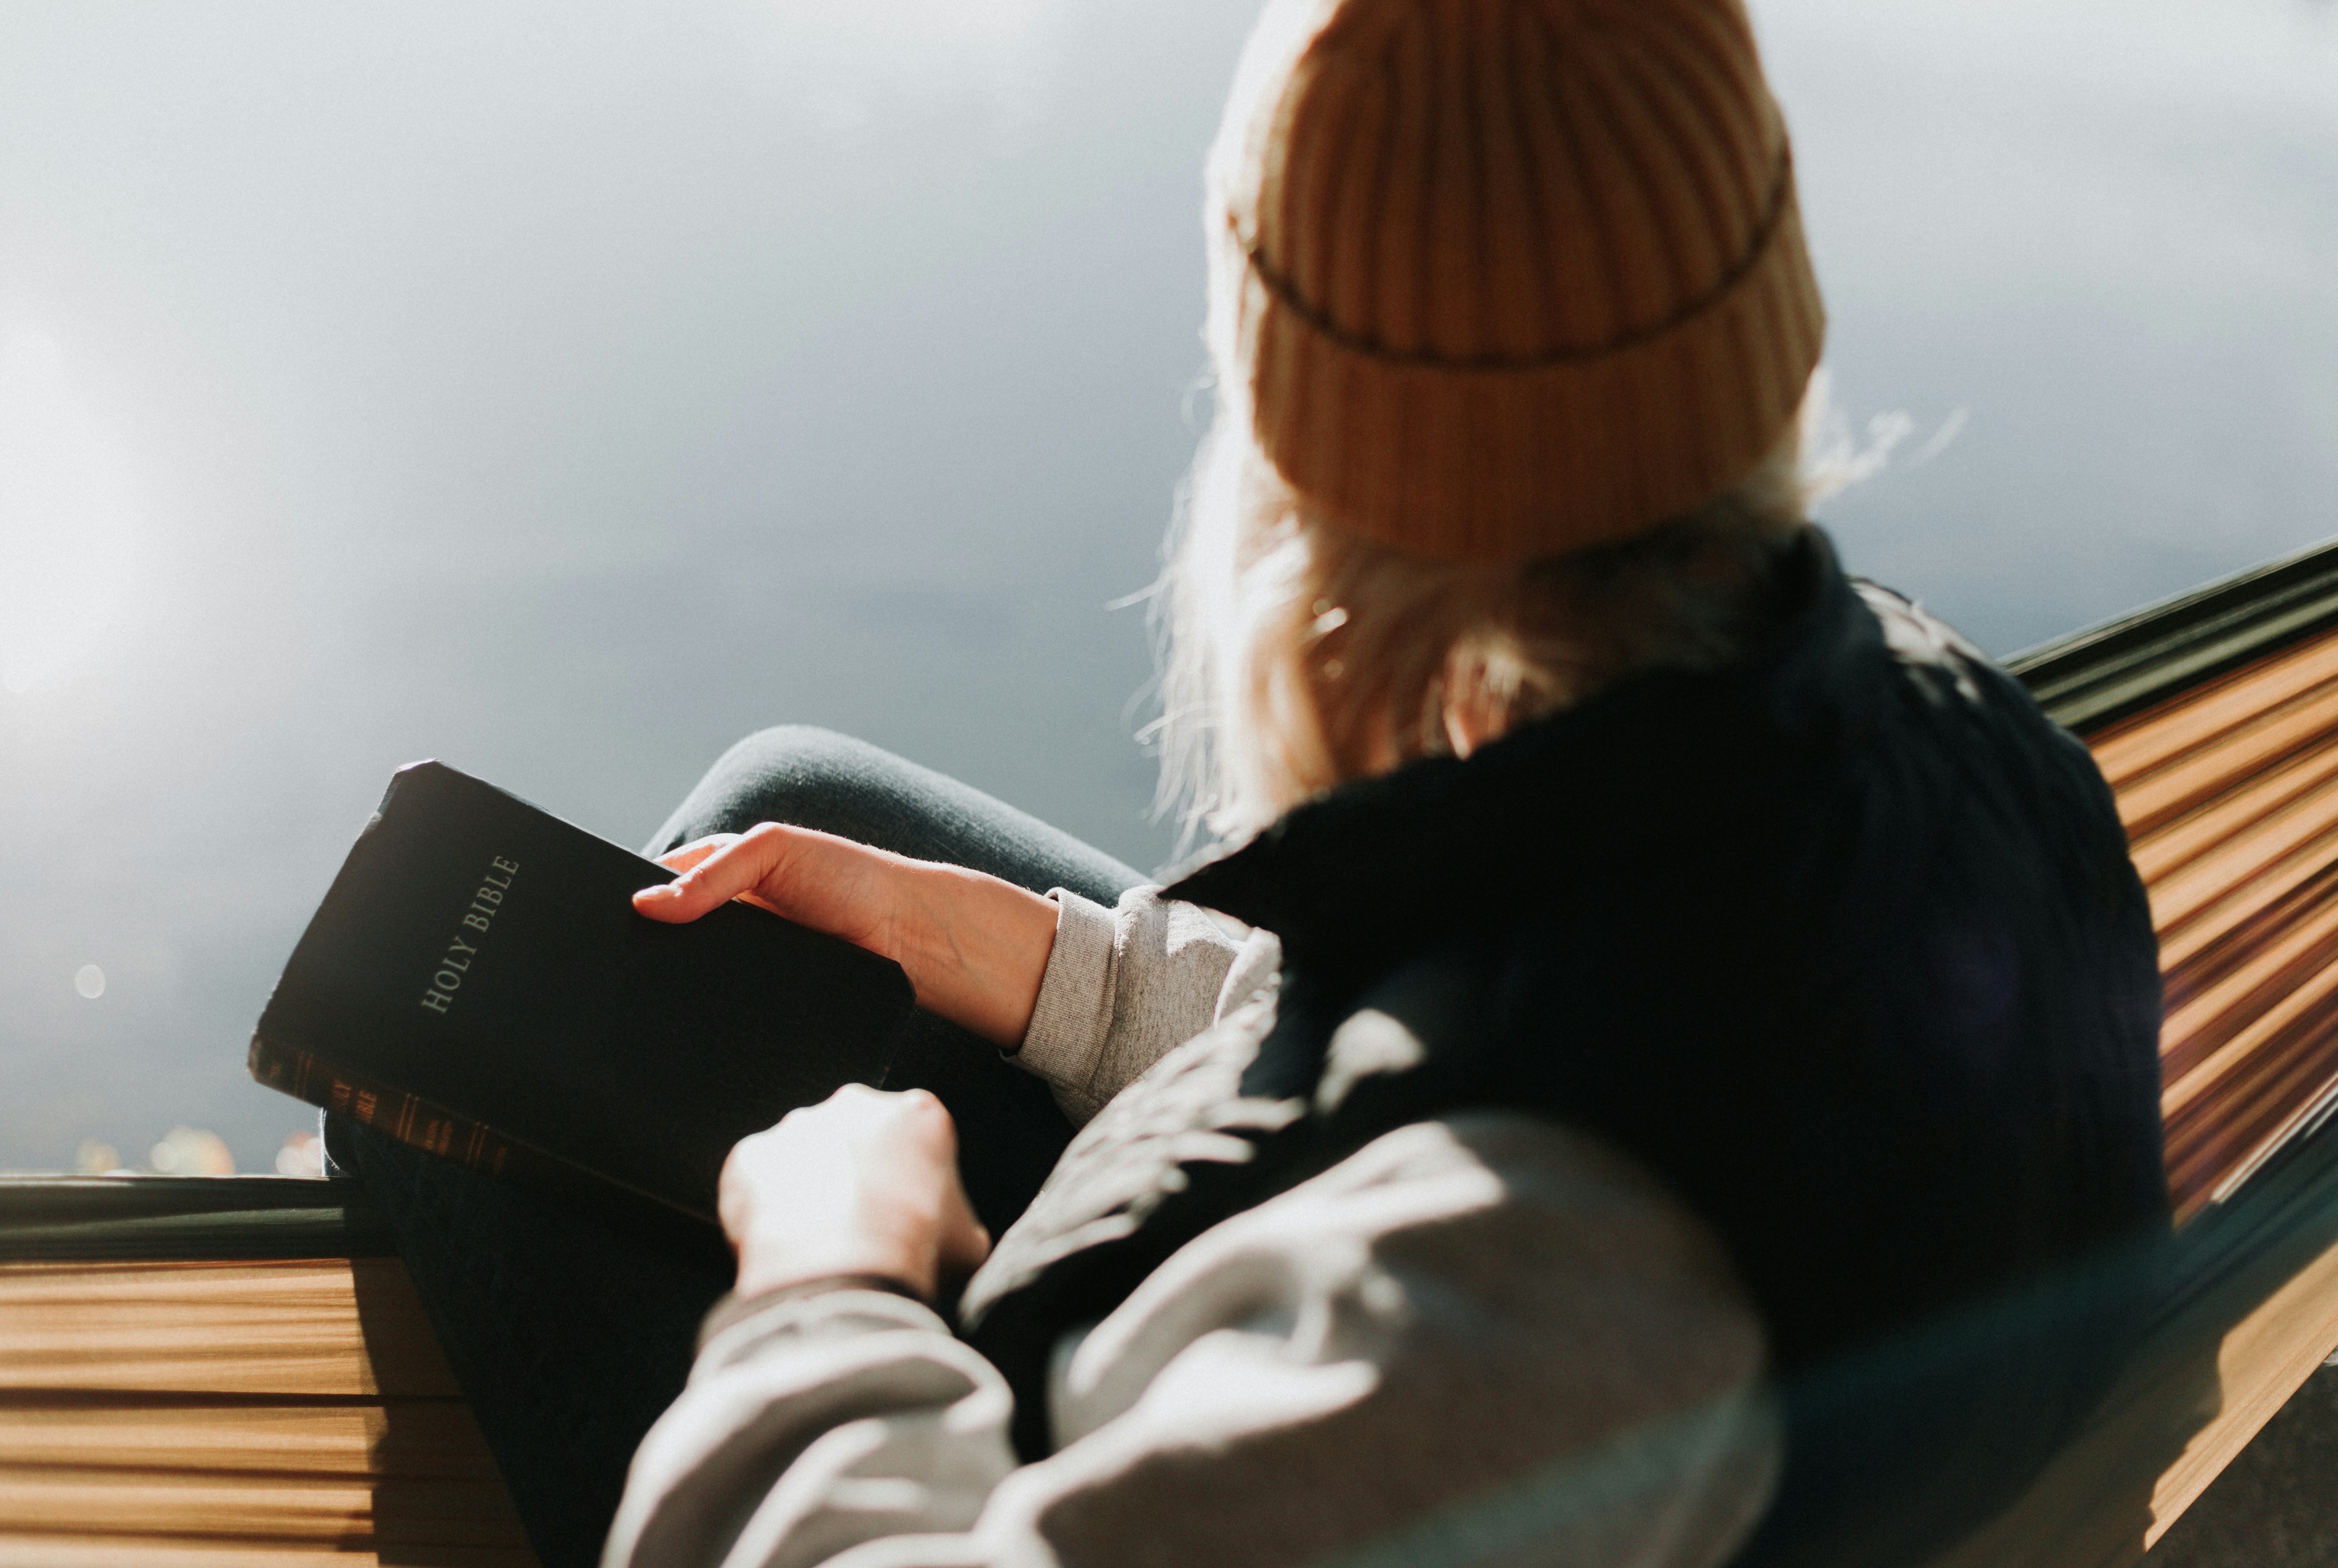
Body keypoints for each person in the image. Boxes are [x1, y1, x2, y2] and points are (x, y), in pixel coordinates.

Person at [338, 1, 2171, 1565]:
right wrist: (1068, 978)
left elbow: (1514, 1180)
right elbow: (1588, 995)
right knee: (788, 791)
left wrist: (827, 1288)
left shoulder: (1527, 1317)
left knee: (425, 1077)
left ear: (1310, 469)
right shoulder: (1948, 732)